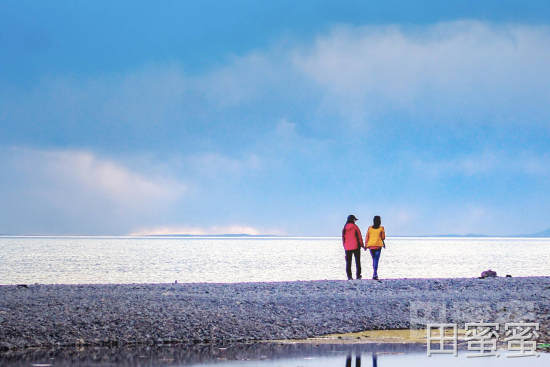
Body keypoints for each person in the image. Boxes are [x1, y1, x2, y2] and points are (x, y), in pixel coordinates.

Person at [342, 214, 364, 280]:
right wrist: (362, 245)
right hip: (356, 246)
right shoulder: (355, 227)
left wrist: (344, 246)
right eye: (355, 219)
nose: (355, 221)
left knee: (348, 262)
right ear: (353, 220)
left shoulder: (345, 227)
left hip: (347, 247)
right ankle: (358, 275)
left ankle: (349, 276)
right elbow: (359, 237)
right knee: (357, 261)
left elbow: (343, 238)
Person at [365, 215, 385, 280]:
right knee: (376, 259)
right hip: (378, 245)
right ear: (380, 221)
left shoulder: (369, 228)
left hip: (371, 245)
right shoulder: (381, 228)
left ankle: (374, 273)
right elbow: (383, 237)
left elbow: (367, 237)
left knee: (374, 259)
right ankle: (375, 273)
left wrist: (366, 245)